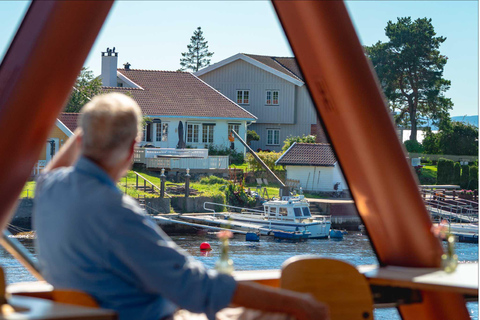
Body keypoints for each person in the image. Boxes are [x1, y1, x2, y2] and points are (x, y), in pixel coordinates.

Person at [34, 93, 329, 320]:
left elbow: (53, 169)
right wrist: (299, 303)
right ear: (132, 150)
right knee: (282, 313)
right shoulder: (119, 216)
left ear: (83, 138)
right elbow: (197, 289)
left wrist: (92, 127)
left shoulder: (49, 190)